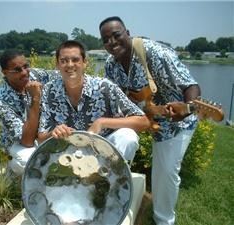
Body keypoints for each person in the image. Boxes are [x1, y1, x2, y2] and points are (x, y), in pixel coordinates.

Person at [99, 16, 201, 225]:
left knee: (165, 173)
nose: (112, 42)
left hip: (176, 123)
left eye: (116, 35)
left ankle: (163, 221)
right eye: (106, 39)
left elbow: (191, 86)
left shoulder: (154, 53)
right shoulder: (111, 65)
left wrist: (188, 109)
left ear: (128, 33)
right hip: (143, 120)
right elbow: (113, 98)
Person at [37, 40, 150, 163]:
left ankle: (115, 176)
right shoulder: (49, 90)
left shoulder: (104, 87)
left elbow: (143, 121)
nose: (69, 65)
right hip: (67, 152)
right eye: (63, 61)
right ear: (57, 65)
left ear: (85, 63)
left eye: (75, 60)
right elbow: (41, 139)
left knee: (127, 136)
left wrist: (102, 122)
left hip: (103, 151)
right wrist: (53, 133)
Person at [0, 49, 58, 176]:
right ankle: (12, 170)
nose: (24, 73)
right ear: (4, 73)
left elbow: (64, 76)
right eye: (17, 70)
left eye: (25, 66)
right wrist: (35, 98)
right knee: (28, 161)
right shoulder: (1, 99)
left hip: (44, 134)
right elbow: (26, 141)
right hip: (19, 143)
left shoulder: (35, 74)